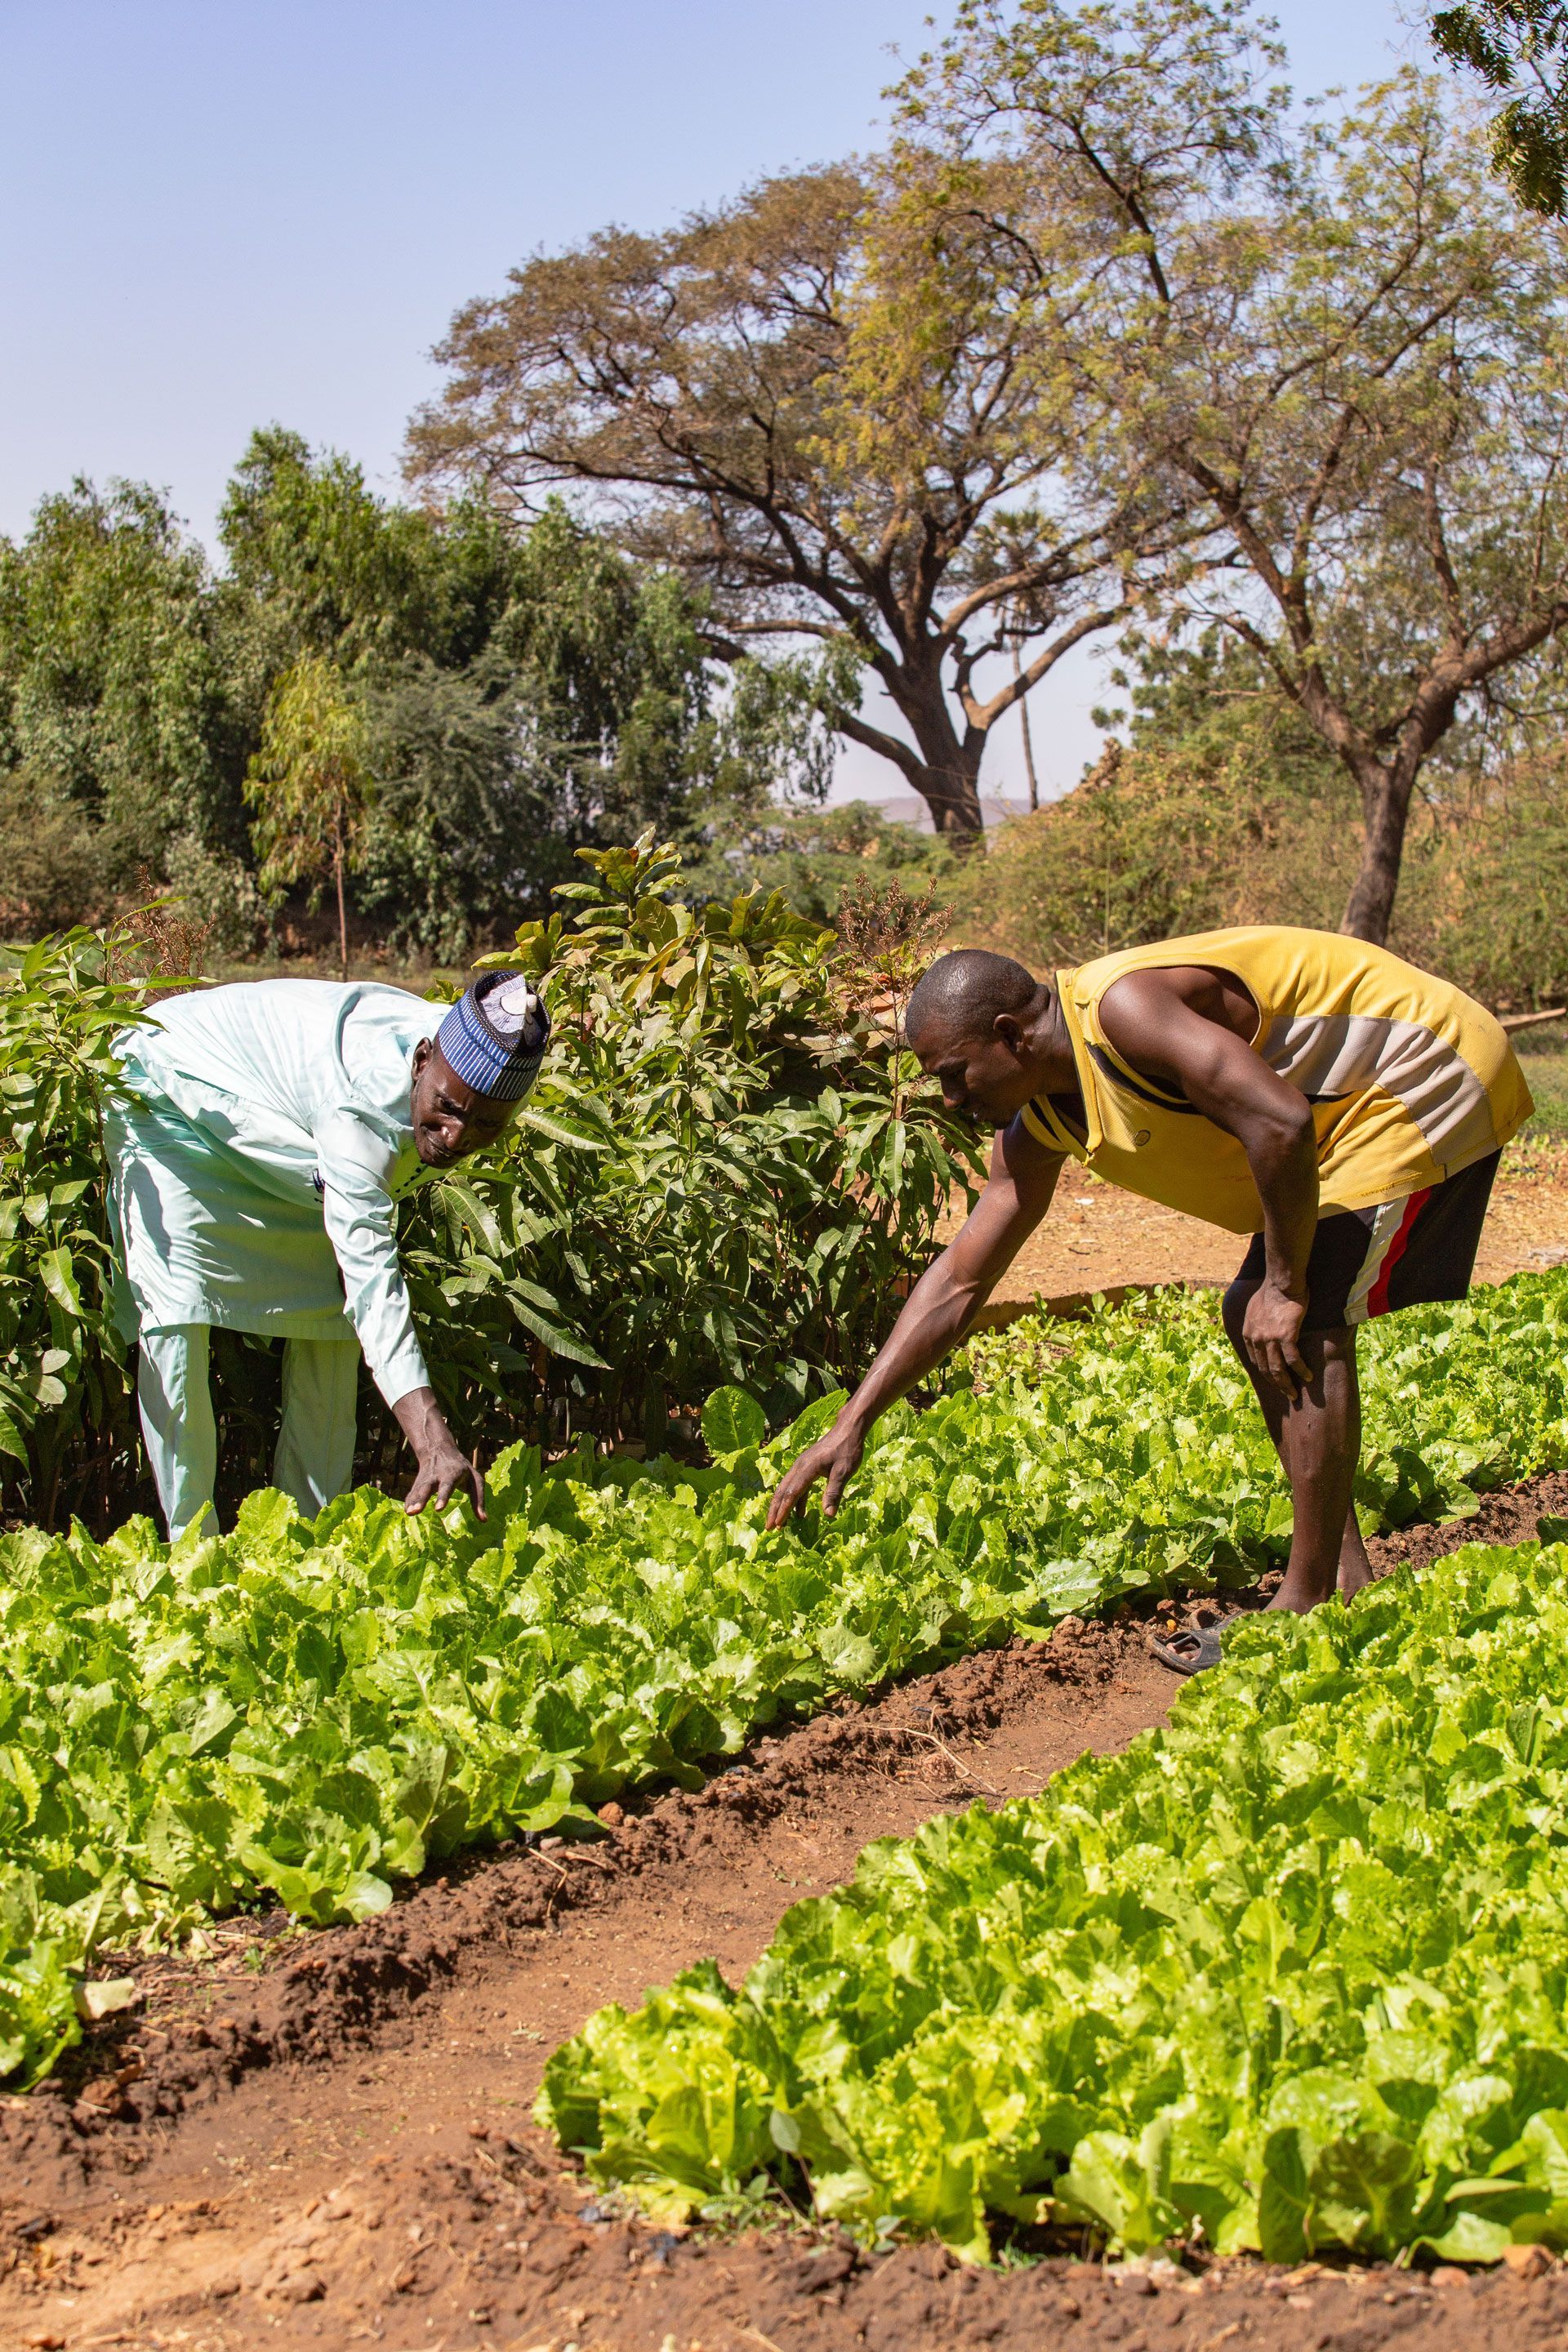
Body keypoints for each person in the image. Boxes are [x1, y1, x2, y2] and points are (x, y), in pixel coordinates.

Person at [767, 926, 1532, 1669]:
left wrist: (1286, 1285)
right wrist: (852, 1419)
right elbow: (961, 1280)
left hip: (1422, 1070)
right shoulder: (1037, 1125)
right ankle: (1339, 1578)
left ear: (1011, 1035)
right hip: (1343, 1111)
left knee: (1292, 1315)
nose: (949, 1097)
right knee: (1257, 1313)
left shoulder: (1121, 1013)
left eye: (954, 1073)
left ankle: (1308, 1603)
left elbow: (1281, 1120)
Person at [105, 969, 549, 1539]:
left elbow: (363, 1278)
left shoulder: (478, 1059)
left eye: (485, 1124)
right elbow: (374, 1281)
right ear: (421, 1063)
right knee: (179, 1309)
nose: (457, 1137)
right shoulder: (358, 1108)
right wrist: (433, 1440)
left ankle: (311, 1543)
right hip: (175, 1102)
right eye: (446, 1107)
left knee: (333, 1317)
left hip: (285, 1133)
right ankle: (192, 1549)